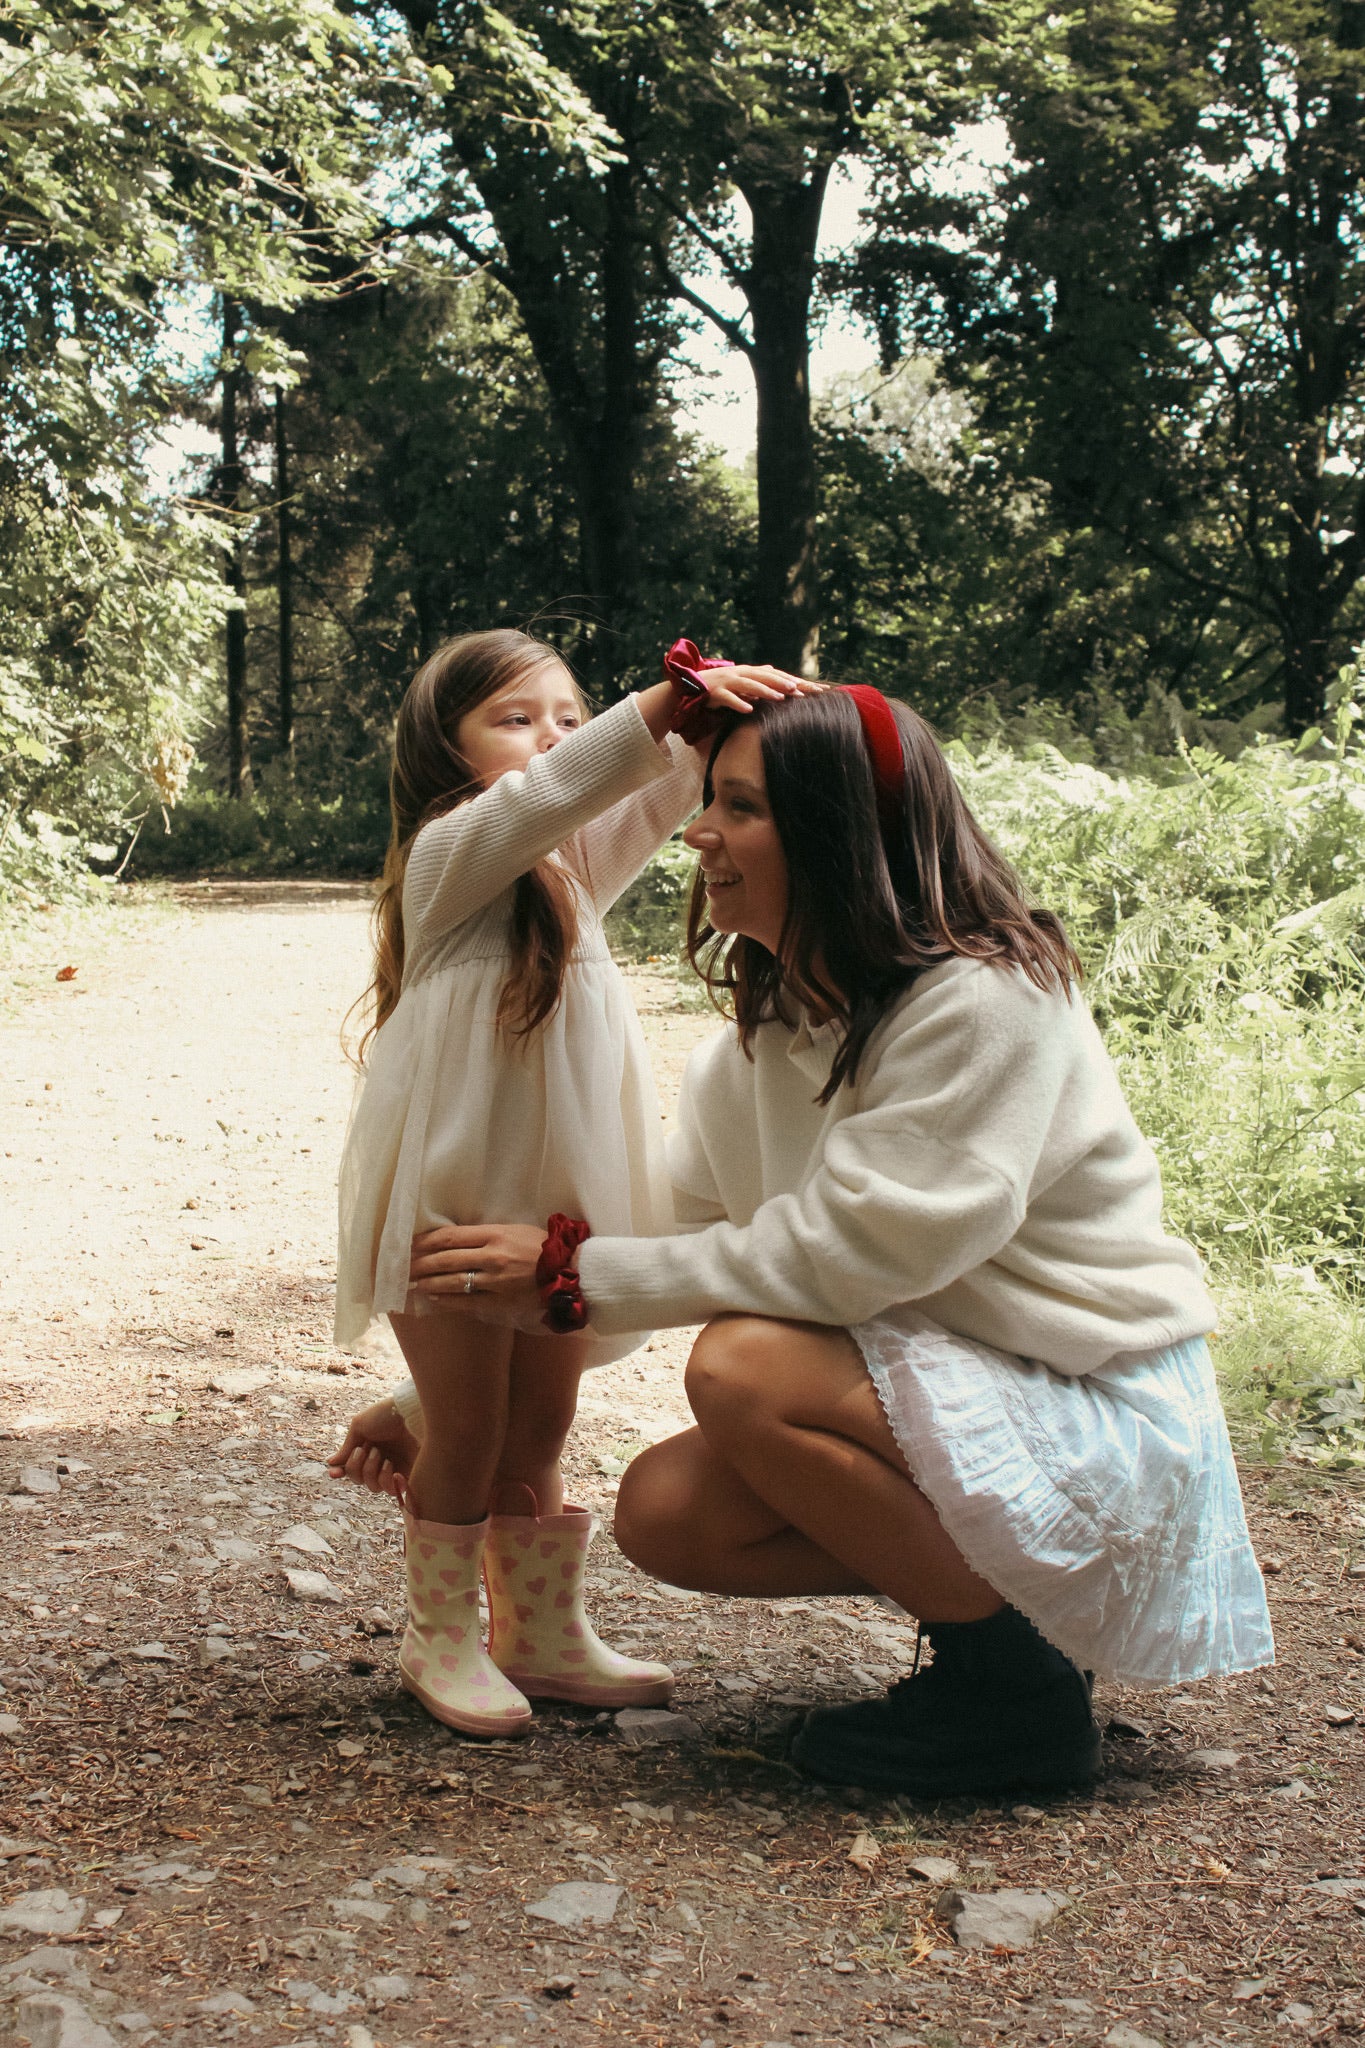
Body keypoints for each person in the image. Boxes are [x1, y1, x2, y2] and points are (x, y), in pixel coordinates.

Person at [353, 679, 1274, 1798]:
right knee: (667, 1511)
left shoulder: (985, 1001)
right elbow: (675, 1240)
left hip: (1095, 1406)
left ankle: (1014, 1695)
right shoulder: (763, 1037)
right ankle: (1006, 1625)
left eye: (737, 806)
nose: (695, 831)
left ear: (837, 831)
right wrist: (440, 1402)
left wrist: (566, 1270)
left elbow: (853, 1253)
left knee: (744, 1363)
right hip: (956, 1388)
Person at [329, 627, 818, 1737]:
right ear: (441, 751)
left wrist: (714, 725)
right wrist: (649, 709)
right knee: (467, 1431)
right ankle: (439, 1635)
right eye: (515, 718)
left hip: (552, 1209)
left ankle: (540, 1632)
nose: (551, 736)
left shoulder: (571, 868)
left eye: (565, 712)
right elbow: (548, 793)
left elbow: (649, 798)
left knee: (541, 1429)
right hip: (453, 1205)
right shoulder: (454, 851)